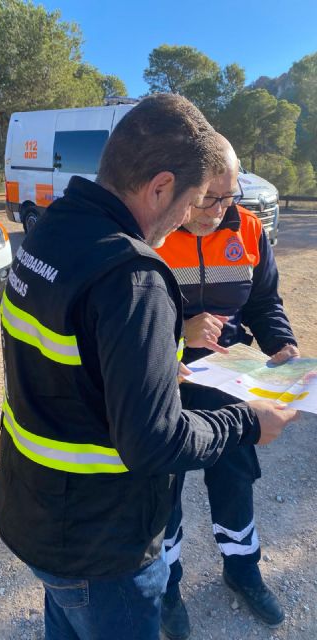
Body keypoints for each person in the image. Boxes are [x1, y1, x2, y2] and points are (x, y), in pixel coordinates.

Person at [0, 95, 297, 640]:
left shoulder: (52, 229)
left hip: (40, 516)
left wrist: (150, 366)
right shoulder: (132, 273)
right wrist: (249, 422)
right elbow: (155, 443)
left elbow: (77, 359)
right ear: (159, 186)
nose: (193, 215)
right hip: (103, 543)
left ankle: (242, 569)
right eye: (194, 200)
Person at [156, 135, 299, 639]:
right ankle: (167, 587)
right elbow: (123, 321)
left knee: (236, 481)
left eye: (229, 197)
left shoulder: (251, 230)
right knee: (163, 492)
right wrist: (181, 331)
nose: (218, 211)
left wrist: (281, 343)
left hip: (230, 382)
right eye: (207, 199)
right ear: (181, 188)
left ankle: (243, 570)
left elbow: (265, 302)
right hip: (164, 383)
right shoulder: (151, 232)